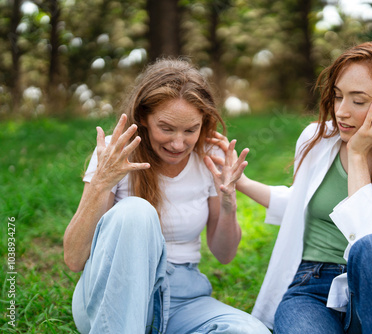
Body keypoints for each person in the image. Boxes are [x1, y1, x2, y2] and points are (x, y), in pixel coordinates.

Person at [210, 41, 372, 333]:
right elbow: (301, 203)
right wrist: (240, 182)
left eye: (358, 101)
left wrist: (357, 155)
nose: (342, 112)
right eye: (338, 96)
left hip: (370, 289)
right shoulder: (316, 139)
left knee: (371, 245)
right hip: (308, 289)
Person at [63, 59, 270, 334]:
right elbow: (74, 258)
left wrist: (229, 201)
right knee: (135, 210)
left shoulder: (209, 157)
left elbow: (224, 254)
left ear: (203, 123)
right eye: (167, 128)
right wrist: (102, 181)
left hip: (182, 299)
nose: (178, 143)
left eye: (190, 130)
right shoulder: (115, 153)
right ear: (144, 118)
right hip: (112, 298)